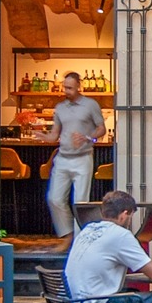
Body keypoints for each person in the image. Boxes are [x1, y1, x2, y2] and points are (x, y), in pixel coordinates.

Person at [46, 71, 107, 236]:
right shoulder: (60, 108)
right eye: (65, 87)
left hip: (83, 158)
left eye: (70, 88)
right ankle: (68, 234)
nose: (66, 91)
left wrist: (88, 137)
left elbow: (101, 129)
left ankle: (80, 239)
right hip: (62, 157)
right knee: (54, 199)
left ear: (79, 86)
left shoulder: (90, 105)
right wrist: (43, 136)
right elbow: (54, 135)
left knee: (80, 202)